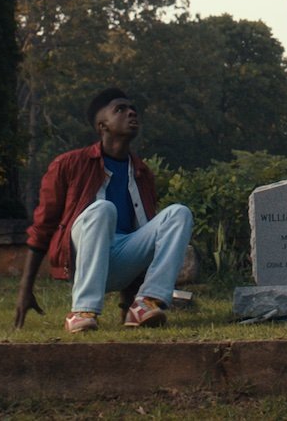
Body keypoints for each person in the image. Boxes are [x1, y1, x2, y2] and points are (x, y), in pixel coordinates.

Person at [14, 89, 194, 333]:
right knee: (103, 209)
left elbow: (140, 232)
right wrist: (26, 289)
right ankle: (82, 311)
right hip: (82, 258)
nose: (131, 113)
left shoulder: (141, 173)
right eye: (120, 109)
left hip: (121, 262)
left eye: (133, 110)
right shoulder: (68, 164)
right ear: (102, 125)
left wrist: (126, 302)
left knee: (179, 213)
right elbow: (43, 227)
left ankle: (145, 303)